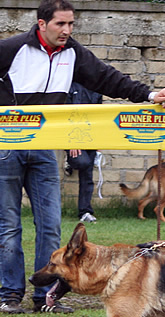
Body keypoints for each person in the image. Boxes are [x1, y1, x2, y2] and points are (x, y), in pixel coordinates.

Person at [0, 0, 165, 315]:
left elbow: (108, 78)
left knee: (51, 225)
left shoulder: (73, 53)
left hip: (45, 145)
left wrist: (148, 95)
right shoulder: (11, 49)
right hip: (6, 147)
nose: (67, 31)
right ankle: (10, 295)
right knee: (9, 225)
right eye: (60, 24)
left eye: (71, 25)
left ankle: (45, 298)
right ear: (41, 24)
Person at [65, 82, 102, 223]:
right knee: (83, 162)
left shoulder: (97, 88)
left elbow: (99, 116)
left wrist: (98, 144)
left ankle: (85, 211)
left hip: (89, 136)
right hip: (71, 136)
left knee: (87, 174)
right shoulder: (70, 85)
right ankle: (69, 161)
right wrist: (72, 141)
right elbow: (65, 115)